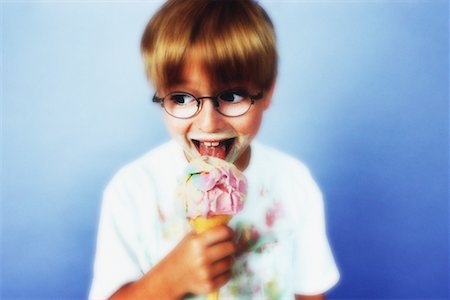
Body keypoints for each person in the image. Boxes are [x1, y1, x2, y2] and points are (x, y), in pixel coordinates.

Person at [89, 0, 340, 299]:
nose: (208, 123)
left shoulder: (293, 183)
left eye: (232, 95)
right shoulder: (133, 190)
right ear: (160, 95)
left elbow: (310, 293)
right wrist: (169, 280)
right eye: (181, 98)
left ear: (268, 92)